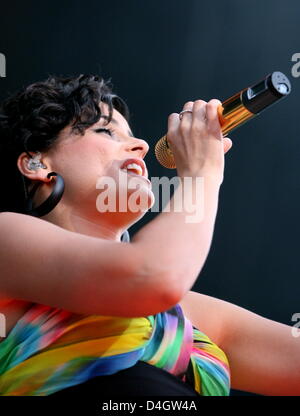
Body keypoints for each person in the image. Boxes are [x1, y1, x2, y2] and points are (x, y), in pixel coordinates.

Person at [0, 75, 299, 397]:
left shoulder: (185, 313)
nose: (141, 146)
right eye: (105, 131)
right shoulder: (7, 237)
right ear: (35, 162)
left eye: (131, 136)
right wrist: (202, 174)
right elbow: (151, 277)